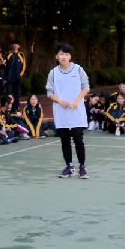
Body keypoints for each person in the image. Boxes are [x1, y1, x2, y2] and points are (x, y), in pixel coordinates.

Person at [46, 43, 90, 179]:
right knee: (64, 141)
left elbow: (86, 87)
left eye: (66, 54)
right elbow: (49, 92)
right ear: (56, 57)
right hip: (61, 112)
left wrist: (77, 100)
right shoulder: (53, 72)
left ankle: (82, 166)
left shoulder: (78, 69)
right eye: (61, 54)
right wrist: (59, 101)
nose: (63, 57)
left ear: (70, 56)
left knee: (78, 140)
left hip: (76, 111)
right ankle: (69, 166)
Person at [5, 40, 27, 110]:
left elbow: (24, 66)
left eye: (16, 44)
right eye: (13, 44)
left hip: (18, 78)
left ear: (19, 46)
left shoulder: (21, 55)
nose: (15, 45)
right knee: (9, 94)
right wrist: (5, 77)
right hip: (9, 79)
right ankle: (8, 109)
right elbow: (5, 65)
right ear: (11, 45)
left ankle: (16, 108)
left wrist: (20, 75)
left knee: (17, 94)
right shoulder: (8, 54)